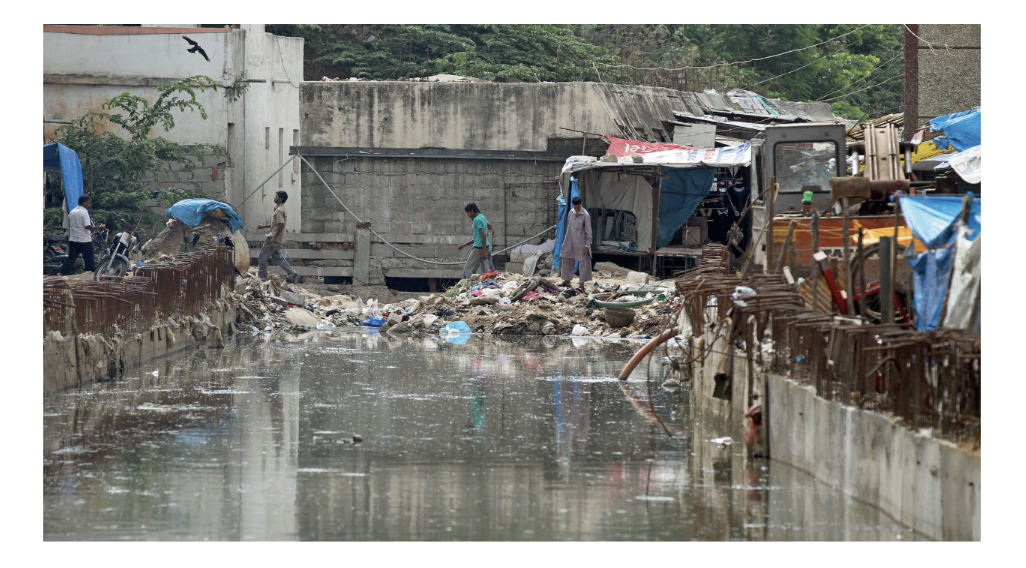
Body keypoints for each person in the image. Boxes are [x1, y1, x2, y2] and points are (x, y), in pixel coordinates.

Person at [255, 191, 298, 283]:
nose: (275, 197)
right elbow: (276, 224)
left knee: (262, 257)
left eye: (276, 196)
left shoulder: (279, 210)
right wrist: (264, 226)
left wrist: (274, 238)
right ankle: (292, 272)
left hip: (273, 238)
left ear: (280, 198)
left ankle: (263, 278)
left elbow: (281, 225)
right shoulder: (282, 209)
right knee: (277, 258)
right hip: (278, 239)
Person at [60, 194, 106, 275]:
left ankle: (62, 272)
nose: (89, 205)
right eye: (88, 203)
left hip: (74, 239)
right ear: (84, 203)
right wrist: (99, 227)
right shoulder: (84, 212)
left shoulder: (72, 212)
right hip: (84, 240)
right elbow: (87, 226)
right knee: (89, 258)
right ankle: (90, 272)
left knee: (71, 258)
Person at [559, 196, 592, 289]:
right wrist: (565, 241)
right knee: (566, 258)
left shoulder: (585, 215)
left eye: (578, 207)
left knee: (582, 262)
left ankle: (581, 284)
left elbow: (589, 231)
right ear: (573, 205)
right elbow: (568, 228)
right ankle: (567, 281)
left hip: (581, 243)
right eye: (575, 207)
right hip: (570, 241)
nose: (577, 209)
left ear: (581, 205)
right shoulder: (571, 213)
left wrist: (587, 246)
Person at [457, 203, 492, 280]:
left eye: (468, 212)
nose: (468, 215)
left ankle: (468, 284)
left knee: (468, 268)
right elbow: (486, 230)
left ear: (472, 211)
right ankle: (489, 281)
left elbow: (483, 235)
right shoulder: (482, 217)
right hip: (484, 246)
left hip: (479, 249)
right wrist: (465, 244)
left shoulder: (476, 220)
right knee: (486, 268)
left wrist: (483, 252)